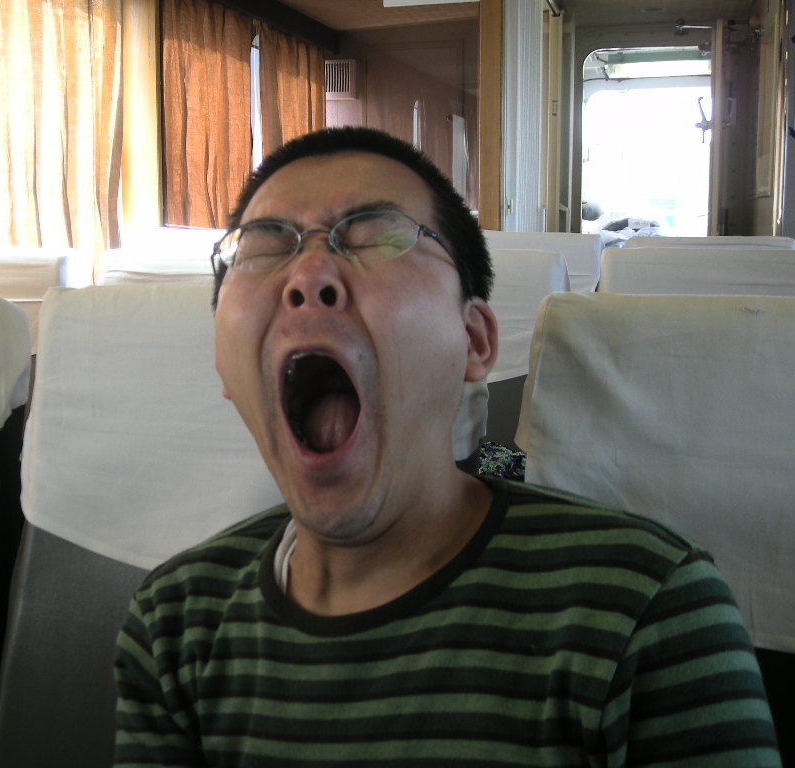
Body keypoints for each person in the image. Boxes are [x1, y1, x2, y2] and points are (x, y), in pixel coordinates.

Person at [113, 126, 780, 766]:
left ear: (475, 341)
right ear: (224, 363)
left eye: (374, 239)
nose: (309, 275)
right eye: (263, 249)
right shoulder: (174, 622)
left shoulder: (650, 612)